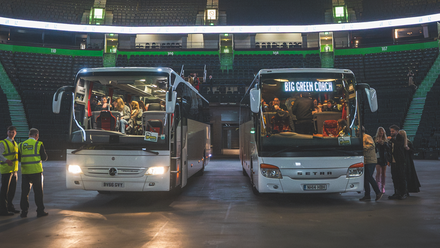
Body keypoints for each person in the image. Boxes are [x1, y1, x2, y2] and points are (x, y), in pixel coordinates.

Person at [18, 128, 48, 217]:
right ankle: (40, 211)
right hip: (36, 171)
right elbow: (44, 157)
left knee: (24, 193)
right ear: (37, 136)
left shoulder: (21, 145)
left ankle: (24, 212)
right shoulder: (38, 144)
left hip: (25, 171)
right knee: (38, 192)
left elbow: (19, 158)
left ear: (29, 135)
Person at [360, 126, 383, 201]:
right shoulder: (361, 137)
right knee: (365, 178)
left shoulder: (367, 137)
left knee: (369, 177)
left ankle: (378, 192)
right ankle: (367, 195)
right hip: (365, 160)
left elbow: (371, 145)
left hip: (370, 160)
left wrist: (362, 146)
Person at [0, 126, 19, 216]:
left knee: (12, 190)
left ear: (15, 133)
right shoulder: (3, 143)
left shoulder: (15, 143)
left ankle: (10, 207)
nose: (11, 133)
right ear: (7, 132)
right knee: (4, 191)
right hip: (6, 170)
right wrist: (5, 160)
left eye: (13, 132)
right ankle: (3, 210)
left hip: (14, 170)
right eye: (10, 132)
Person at [388, 125, 407, 200]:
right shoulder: (392, 139)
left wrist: (391, 139)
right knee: (394, 177)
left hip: (399, 161)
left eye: (393, 131)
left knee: (401, 177)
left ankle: (403, 193)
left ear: (397, 131)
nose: (391, 132)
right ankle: (397, 192)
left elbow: (399, 145)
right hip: (393, 161)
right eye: (391, 131)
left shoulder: (400, 137)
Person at [399, 130, 421, 195]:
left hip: (407, 161)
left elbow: (412, 151)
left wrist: (408, 149)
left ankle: (406, 189)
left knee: (407, 175)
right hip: (403, 160)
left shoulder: (408, 143)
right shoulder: (399, 142)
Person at [374, 127, 390, 193]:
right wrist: (377, 143)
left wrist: (384, 144)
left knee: (383, 173)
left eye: (382, 131)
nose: (381, 133)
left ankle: (383, 187)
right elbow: (374, 148)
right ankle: (378, 186)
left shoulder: (386, 140)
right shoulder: (374, 138)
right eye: (380, 131)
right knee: (378, 172)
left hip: (384, 158)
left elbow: (388, 149)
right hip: (377, 158)